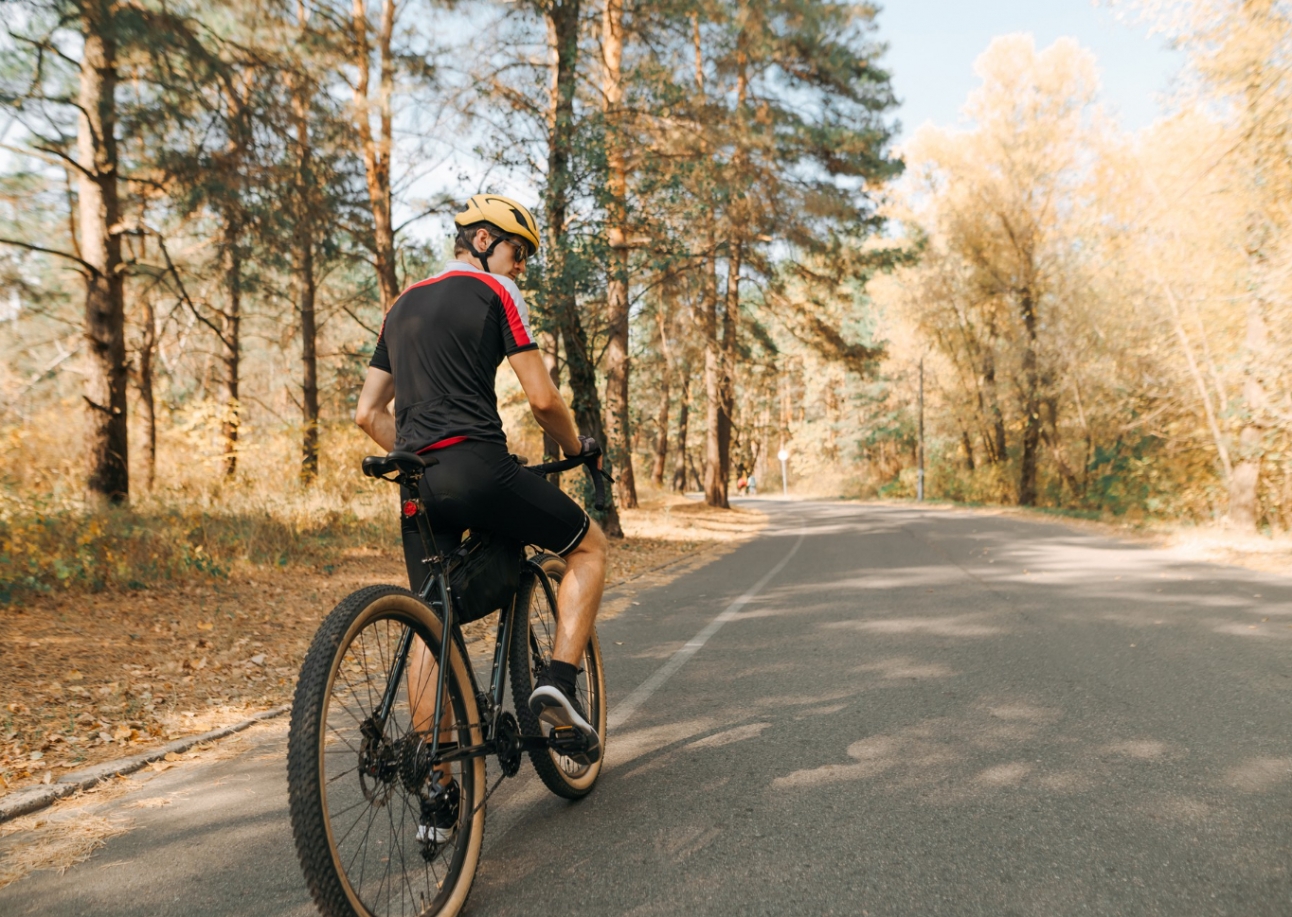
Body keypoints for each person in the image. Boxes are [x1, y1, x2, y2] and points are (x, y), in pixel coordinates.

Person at [354, 193, 606, 840]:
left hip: (413, 480)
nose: (519, 268)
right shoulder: (494, 292)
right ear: (485, 239)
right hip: (477, 465)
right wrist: (578, 448)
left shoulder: (400, 304)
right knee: (588, 547)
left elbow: (367, 415)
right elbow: (544, 398)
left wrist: (418, 456)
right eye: (518, 253)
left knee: (429, 619)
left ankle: (439, 797)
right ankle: (555, 684)